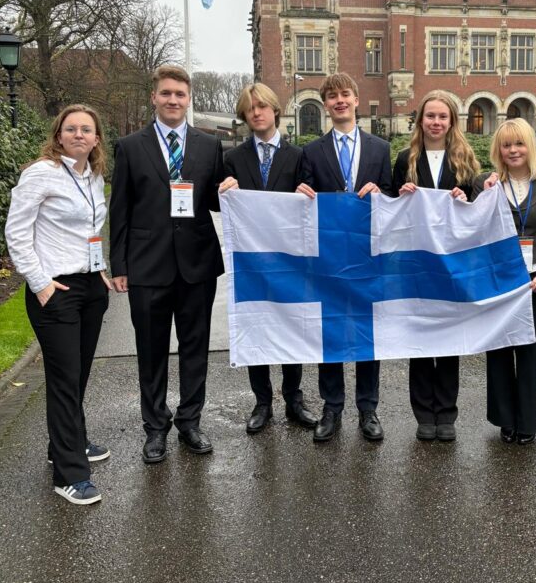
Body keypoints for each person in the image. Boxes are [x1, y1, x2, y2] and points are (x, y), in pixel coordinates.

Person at [110, 63, 224, 464]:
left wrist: (229, 189)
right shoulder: (129, 146)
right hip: (147, 266)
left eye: (180, 94)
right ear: (154, 97)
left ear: (188, 98)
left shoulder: (209, 146)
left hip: (197, 264)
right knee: (152, 350)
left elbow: (213, 200)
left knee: (195, 348)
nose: (173, 100)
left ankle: (189, 421)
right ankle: (155, 427)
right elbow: (119, 210)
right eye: (166, 93)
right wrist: (119, 263)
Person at [6, 105, 112, 505]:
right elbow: (16, 232)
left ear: (96, 138)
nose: (80, 134)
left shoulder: (93, 176)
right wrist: (39, 282)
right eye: (72, 129)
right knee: (64, 379)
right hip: (55, 290)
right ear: (59, 134)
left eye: (87, 129)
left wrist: (99, 268)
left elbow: (90, 230)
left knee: (79, 373)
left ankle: (66, 444)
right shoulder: (41, 174)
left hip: (89, 287)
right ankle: (69, 475)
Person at [296, 72, 393, 443]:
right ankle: (331, 406)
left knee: (368, 333)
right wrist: (300, 190)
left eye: (345, 94)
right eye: (332, 96)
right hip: (330, 258)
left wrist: (380, 192)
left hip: (369, 255)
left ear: (356, 99)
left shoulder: (380, 149)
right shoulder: (312, 151)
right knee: (332, 330)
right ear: (326, 104)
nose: (339, 100)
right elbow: (303, 199)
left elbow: (391, 196)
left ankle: (368, 409)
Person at [219, 82, 318, 434]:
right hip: (252, 261)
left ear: (275, 110)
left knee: (292, 326)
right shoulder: (232, 158)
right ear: (245, 116)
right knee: (255, 325)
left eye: (262, 106)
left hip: (290, 260)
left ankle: (294, 398)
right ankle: (262, 402)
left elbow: (310, 203)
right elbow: (221, 206)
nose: (257, 113)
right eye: (250, 109)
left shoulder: (298, 156)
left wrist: (307, 194)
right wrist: (224, 193)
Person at [471, 119, 536, 446]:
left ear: (530, 147)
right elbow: (469, 224)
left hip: (533, 279)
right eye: (507, 145)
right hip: (498, 279)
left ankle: (528, 421)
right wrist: (478, 196)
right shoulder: (486, 182)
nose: (513, 151)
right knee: (499, 349)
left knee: (530, 350)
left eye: (519, 144)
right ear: (498, 149)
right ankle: (504, 419)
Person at [392, 90, 480, 442]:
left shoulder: (465, 158)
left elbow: (478, 206)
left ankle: (446, 414)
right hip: (415, 263)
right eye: (430, 116)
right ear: (420, 120)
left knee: (447, 340)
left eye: (443, 117)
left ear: (451, 122)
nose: (436, 122)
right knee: (421, 341)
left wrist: (466, 198)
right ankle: (423, 414)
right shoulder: (404, 158)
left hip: (450, 263)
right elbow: (389, 204)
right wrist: (400, 196)